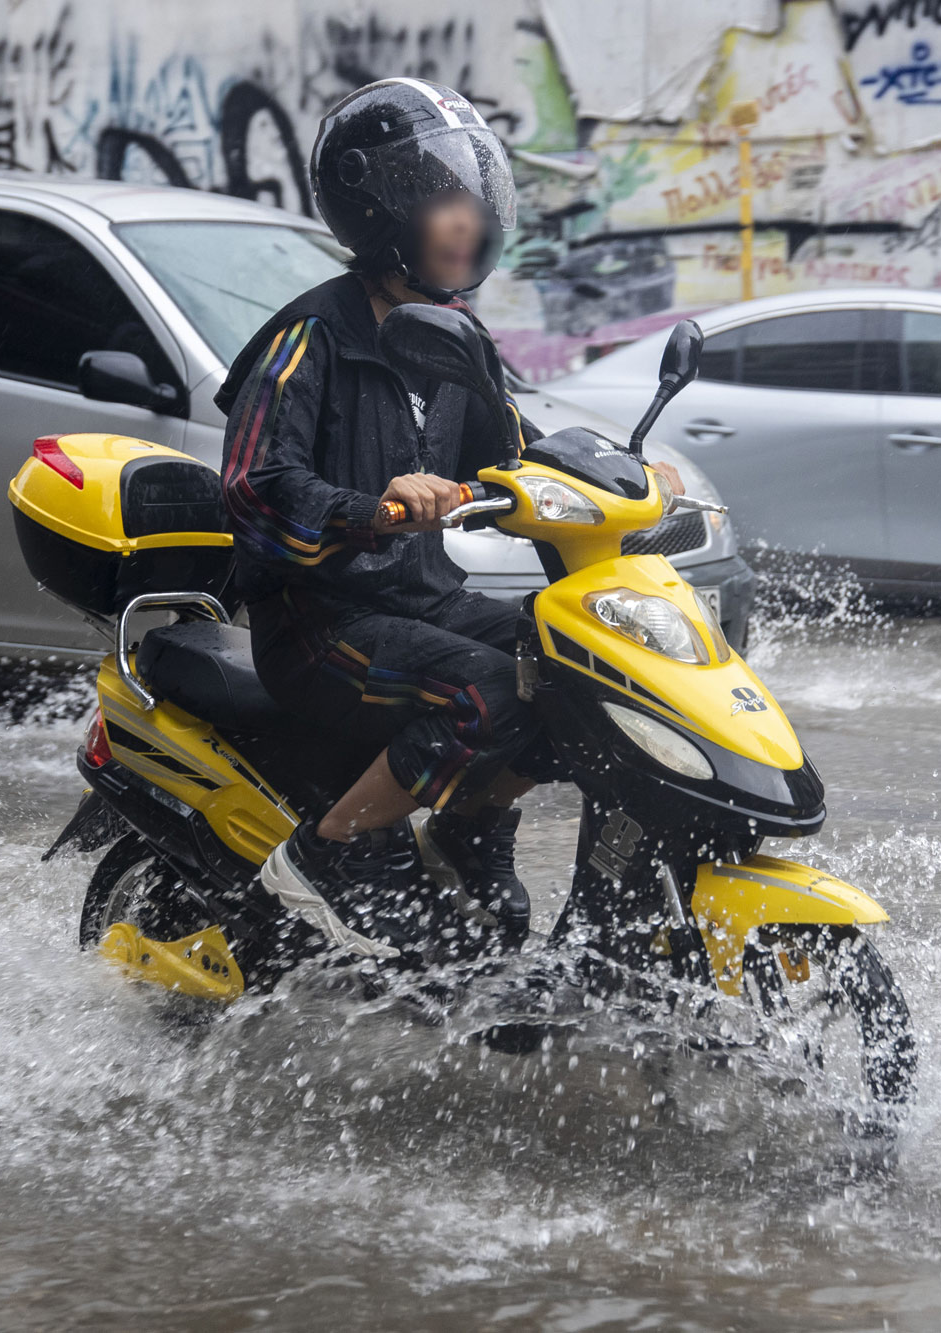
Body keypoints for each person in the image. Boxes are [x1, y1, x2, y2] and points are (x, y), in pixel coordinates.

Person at [213, 78, 679, 960]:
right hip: (322, 622)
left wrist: (619, 475)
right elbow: (253, 491)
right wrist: (373, 510)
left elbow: (513, 449)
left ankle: (467, 830)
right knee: (488, 688)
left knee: (579, 665)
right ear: (377, 207)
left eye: (474, 202)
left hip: (417, 603)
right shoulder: (308, 337)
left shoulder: (451, 336)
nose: (467, 222)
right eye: (441, 202)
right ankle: (333, 853)